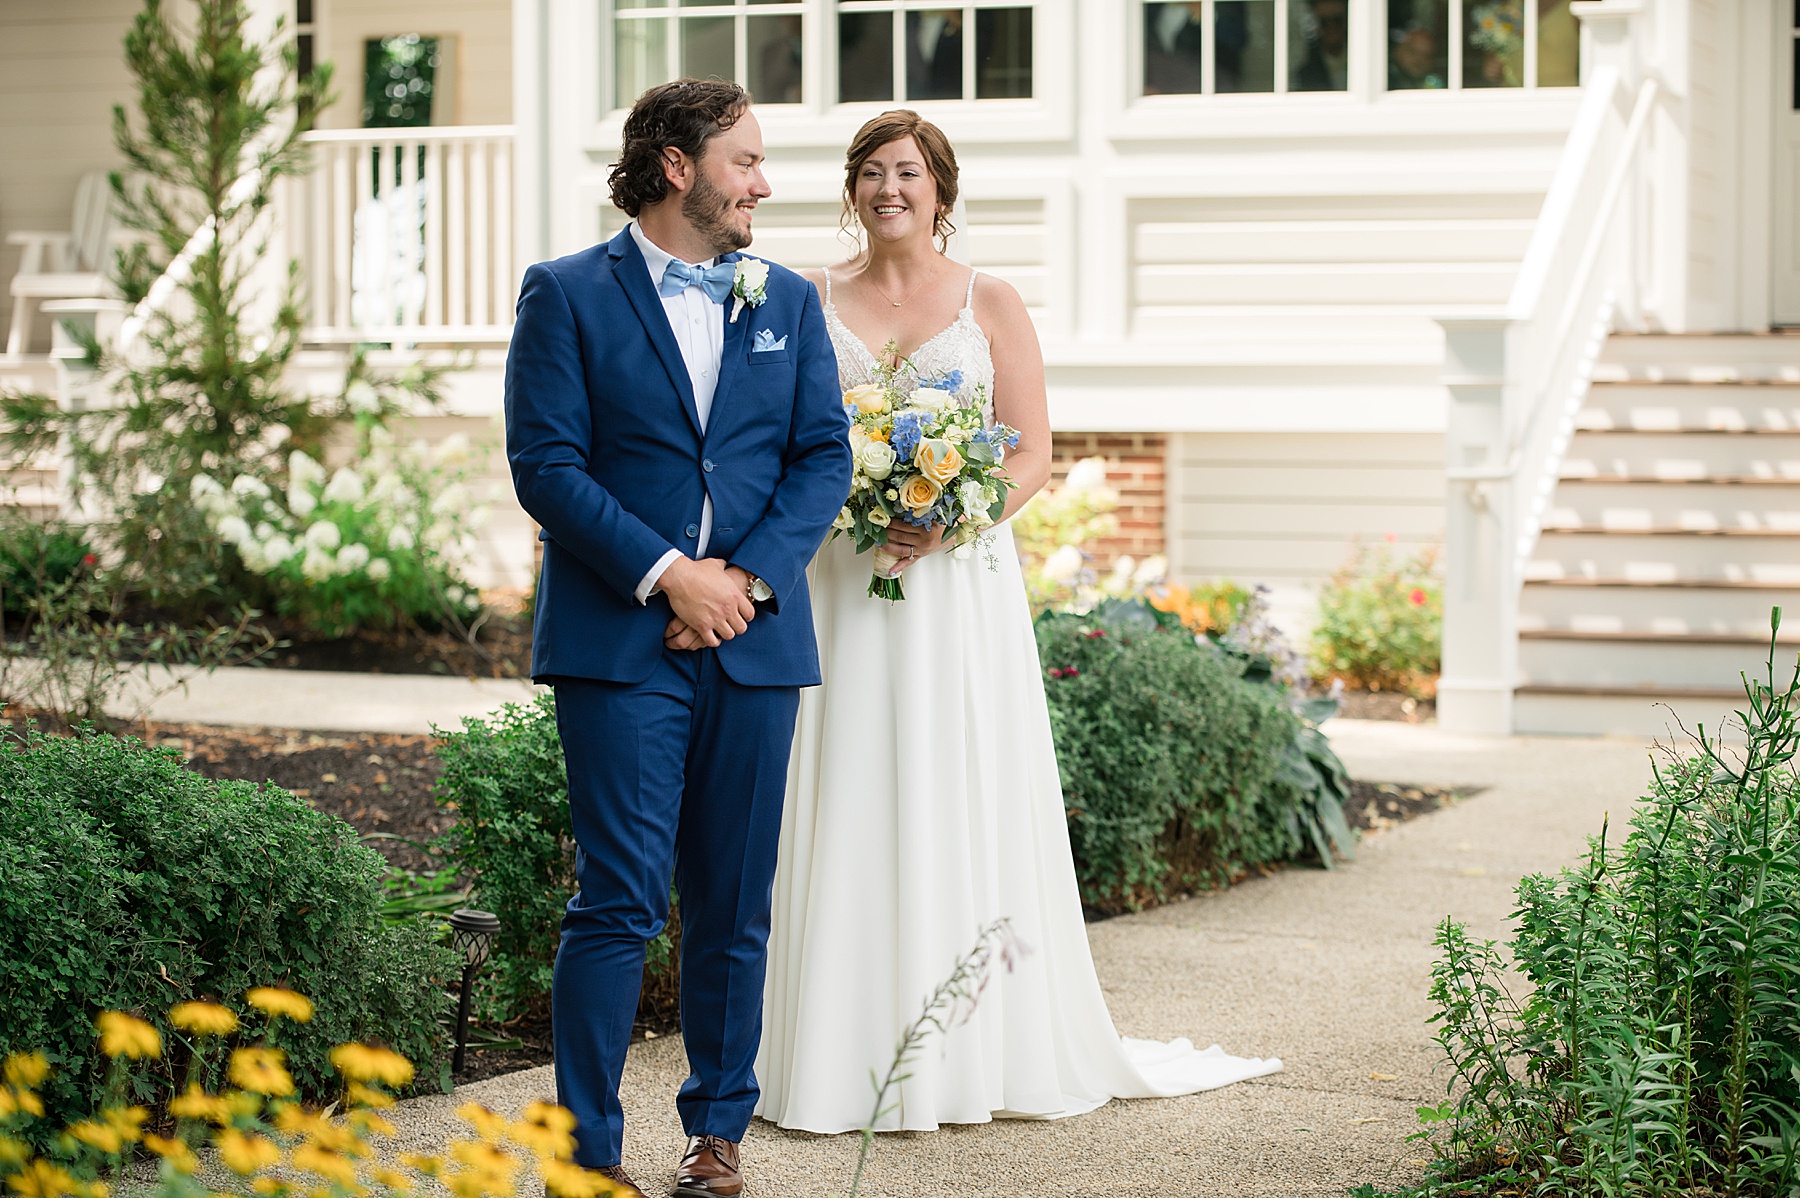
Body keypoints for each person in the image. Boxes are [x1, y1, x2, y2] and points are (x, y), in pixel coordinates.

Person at [754, 109, 1282, 1135]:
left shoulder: (990, 299)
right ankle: (833, 1050)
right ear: (852, 191)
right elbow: (781, 439)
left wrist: (951, 520)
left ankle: (968, 1055)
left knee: (956, 783)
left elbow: (1033, 450)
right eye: (870, 172)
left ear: (940, 191)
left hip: (957, 584)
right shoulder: (809, 300)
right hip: (841, 577)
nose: (887, 188)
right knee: (847, 780)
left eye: (905, 171)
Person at [503, 78, 850, 1198]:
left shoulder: (786, 299)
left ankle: (716, 1138)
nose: (763, 182)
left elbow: (821, 456)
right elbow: (546, 466)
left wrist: (741, 581)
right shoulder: (565, 294)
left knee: (734, 901)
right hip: (620, 641)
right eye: (744, 160)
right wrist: (669, 576)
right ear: (675, 167)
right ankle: (588, 1156)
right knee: (618, 897)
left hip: (752, 647)